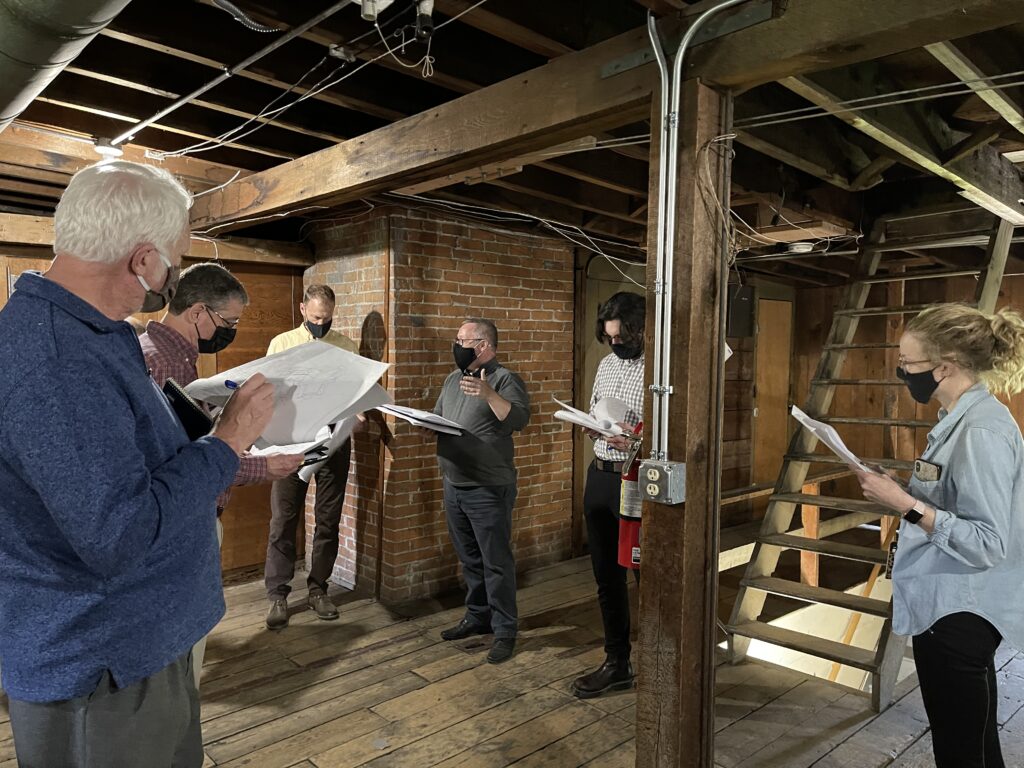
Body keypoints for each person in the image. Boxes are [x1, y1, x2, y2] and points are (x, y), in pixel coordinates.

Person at [0, 160, 275, 767]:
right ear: (144, 260)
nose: (172, 274)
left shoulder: (95, 334)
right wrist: (227, 443)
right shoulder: (55, 357)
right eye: (174, 258)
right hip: (104, 666)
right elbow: (116, 533)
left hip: (144, 640)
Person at [855, 302, 1024, 768]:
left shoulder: (981, 430)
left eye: (909, 363)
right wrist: (901, 490)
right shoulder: (958, 419)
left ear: (944, 366)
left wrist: (903, 505)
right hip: (948, 601)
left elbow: (987, 541)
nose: (902, 371)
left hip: (959, 611)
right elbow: (951, 500)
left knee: (960, 752)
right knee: (974, 743)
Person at [139, 261, 303, 685]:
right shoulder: (163, 364)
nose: (228, 331)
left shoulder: (167, 355)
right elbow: (185, 463)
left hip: (180, 519)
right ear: (197, 312)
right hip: (183, 524)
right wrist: (264, 465)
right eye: (227, 321)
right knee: (182, 659)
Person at [432, 318, 530, 664]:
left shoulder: (504, 379)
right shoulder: (452, 379)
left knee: (496, 562)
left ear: (484, 345)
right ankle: (478, 616)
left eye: (463, 340)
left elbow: (518, 419)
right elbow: (439, 417)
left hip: (488, 488)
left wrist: (489, 394)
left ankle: (505, 630)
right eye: (456, 340)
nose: (456, 346)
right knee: (470, 558)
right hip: (454, 484)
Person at [263, 284, 358, 629]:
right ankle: (277, 595)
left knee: (328, 518)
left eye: (328, 319)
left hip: (333, 441)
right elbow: (270, 393)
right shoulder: (282, 343)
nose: (321, 324)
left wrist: (356, 411)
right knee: (283, 519)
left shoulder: (346, 346)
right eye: (317, 318)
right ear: (303, 309)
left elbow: (353, 391)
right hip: (292, 441)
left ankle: (319, 588)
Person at [572, 291, 646, 699]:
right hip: (599, 476)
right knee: (606, 578)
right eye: (609, 337)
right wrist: (591, 424)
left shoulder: (658, 367)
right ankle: (617, 662)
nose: (615, 344)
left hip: (633, 479)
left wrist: (635, 439)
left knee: (645, 575)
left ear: (641, 329)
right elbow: (597, 408)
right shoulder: (605, 364)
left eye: (621, 337)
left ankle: (658, 660)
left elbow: (672, 432)